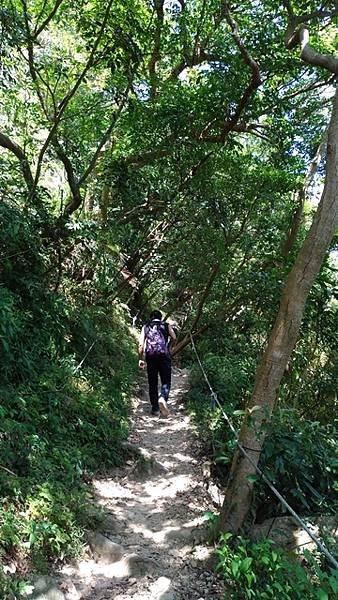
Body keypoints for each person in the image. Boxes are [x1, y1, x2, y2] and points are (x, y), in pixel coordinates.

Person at [138, 310, 176, 416]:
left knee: (152, 383)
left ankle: (155, 408)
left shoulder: (146, 326)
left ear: (151, 317)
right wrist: (169, 347)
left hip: (151, 358)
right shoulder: (166, 325)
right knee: (166, 381)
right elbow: (174, 337)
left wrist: (141, 358)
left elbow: (141, 344)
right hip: (164, 357)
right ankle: (163, 398)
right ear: (160, 318)